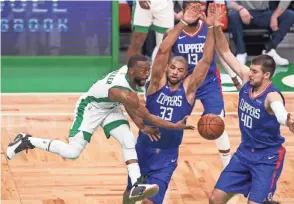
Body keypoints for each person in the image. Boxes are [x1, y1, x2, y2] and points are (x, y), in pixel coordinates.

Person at [6, 54, 195, 202]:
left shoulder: (132, 76)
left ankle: (138, 184)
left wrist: (141, 127)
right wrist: (174, 126)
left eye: (148, 70)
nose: (147, 75)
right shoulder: (121, 90)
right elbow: (144, 113)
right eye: (143, 72)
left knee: (128, 140)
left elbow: (132, 108)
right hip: (90, 109)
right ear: (131, 72)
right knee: (72, 152)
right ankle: (27, 140)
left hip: (110, 108)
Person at [123, 3, 217, 204]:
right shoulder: (156, 84)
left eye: (179, 70)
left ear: (185, 74)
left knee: (149, 201)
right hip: (142, 149)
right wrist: (183, 23)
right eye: (172, 68)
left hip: (167, 157)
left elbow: (206, 60)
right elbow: (164, 49)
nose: (174, 71)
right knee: (129, 197)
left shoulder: (189, 90)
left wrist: (210, 28)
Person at [208, 3, 294, 204]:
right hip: (244, 153)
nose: (249, 72)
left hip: (267, 158)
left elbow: (280, 113)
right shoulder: (248, 79)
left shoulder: (272, 96)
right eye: (251, 69)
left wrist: (287, 121)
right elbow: (225, 51)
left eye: (255, 71)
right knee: (215, 199)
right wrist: (215, 27)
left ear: (266, 75)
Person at [171, 1, 237, 168]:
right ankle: (166, 161)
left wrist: (234, 77)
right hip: (185, 84)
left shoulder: (208, 28)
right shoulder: (174, 32)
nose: (195, 11)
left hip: (209, 82)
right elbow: (162, 56)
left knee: (217, 122)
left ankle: (227, 166)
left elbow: (222, 53)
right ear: (183, 11)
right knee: (173, 123)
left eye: (197, 8)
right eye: (191, 8)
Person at [227, 0, 294, 66]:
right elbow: (228, 2)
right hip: (245, 13)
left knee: (289, 15)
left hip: (265, 13)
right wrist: (240, 9)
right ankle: (241, 53)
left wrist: (275, 16)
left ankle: (270, 49)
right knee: (233, 14)